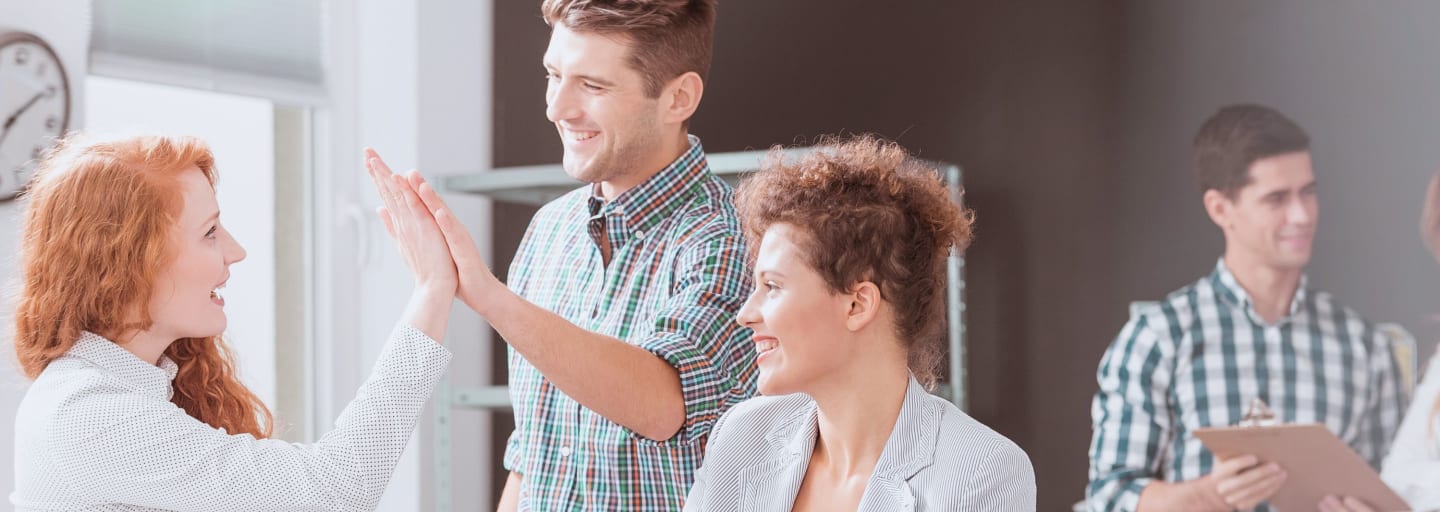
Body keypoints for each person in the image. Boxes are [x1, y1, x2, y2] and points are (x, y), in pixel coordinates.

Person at [364, 0, 754, 509]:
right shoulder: (550, 230)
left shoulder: (729, 239)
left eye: (592, 86)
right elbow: (532, 454)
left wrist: (486, 294)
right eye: (554, 75)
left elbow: (665, 404)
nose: (557, 107)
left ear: (678, 97)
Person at [11, 134, 456, 511]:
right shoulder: (88, 416)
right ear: (130, 263)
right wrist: (432, 289)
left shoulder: (121, 390)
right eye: (210, 233)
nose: (236, 250)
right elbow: (332, 492)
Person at [681, 135, 1036, 511]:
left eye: (772, 286)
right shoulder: (740, 436)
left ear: (857, 304)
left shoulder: (980, 473)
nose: (746, 313)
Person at [1087, 104, 1407, 512]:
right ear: (1220, 209)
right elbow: (1109, 497)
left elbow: (1399, 491)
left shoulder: (1363, 345)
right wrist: (1210, 495)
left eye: (1308, 192)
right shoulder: (1160, 337)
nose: (1302, 214)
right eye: (1276, 198)